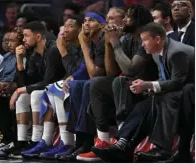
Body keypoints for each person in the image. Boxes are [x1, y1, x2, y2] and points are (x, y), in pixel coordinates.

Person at [92, 23, 194, 163]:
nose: (143, 44)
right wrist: (148, 87)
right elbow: (164, 79)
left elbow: (178, 82)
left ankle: (161, 150)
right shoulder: (158, 53)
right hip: (182, 91)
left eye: (145, 40)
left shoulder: (176, 52)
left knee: (163, 97)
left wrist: (149, 85)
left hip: (189, 91)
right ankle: (124, 145)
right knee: (145, 104)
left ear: (157, 39)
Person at [82, 5, 158, 162]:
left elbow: (130, 70)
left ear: (138, 20)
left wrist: (115, 42)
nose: (123, 20)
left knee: (121, 81)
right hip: (130, 89)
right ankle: (103, 140)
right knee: (97, 84)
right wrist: (109, 44)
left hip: (148, 90)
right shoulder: (128, 38)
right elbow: (111, 72)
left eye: (128, 17)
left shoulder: (147, 38)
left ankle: (121, 140)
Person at [0, 21, 65, 159]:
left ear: (38, 37)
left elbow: (49, 81)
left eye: (26, 36)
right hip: (46, 89)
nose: (24, 39)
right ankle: (21, 142)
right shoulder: (34, 55)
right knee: (23, 97)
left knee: (33, 95)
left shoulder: (52, 50)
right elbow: (27, 82)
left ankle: (36, 140)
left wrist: (20, 90)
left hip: (59, 88)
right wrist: (19, 61)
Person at [20, 15, 84, 159]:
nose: (65, 30)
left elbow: (74, 72)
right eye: (64, 26)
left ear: (80, 30)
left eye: (70, 26)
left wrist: (62, 50)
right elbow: (28, 81)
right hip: (70, 84)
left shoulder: (60, 48)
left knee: (55, 87)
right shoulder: (70, 47)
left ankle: (67, 142)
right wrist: (20, 62)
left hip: (82, 84)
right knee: (47, 90)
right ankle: (42, 140)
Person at [58, 12, 106, 162]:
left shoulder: (97, 41)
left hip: (109, 81)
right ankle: (79, 142)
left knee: (83, 85)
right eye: (84, 20)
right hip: (96, 81)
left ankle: (84, 142)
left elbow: (94, 73)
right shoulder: (91, 41)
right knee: (75, 84)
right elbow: (81, 69)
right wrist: (73, 77)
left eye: (91, 21)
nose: (86, 24)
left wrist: (81, 45)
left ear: (102, 24)